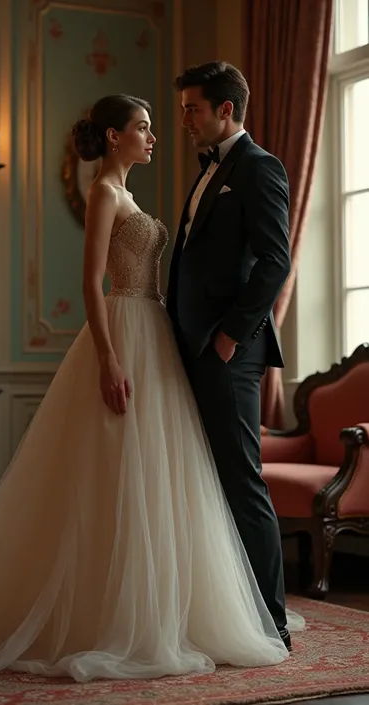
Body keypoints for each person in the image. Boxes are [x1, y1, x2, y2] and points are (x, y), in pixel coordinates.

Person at [0, 94, 299, 683]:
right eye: (143, 128)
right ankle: (106, 612)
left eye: (155, 128)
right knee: (114, 471)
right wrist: (108, 357)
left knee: (158, 473)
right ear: (114, 138)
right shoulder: (106, 193)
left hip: (155, 335)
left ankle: (164, 608)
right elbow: (90, 281)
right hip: (124, 335)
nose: (154, 136)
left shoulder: (133, 194)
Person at [167, 61, 294, 650]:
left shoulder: (260, 168)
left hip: (228, 352)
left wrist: (228, 338)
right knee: (204, 481)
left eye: (193, 107)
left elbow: (275, 262)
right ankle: (224, 613)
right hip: (190, 346)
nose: (184, 119)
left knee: (242, 482)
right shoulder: (209, 170)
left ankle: (272, 625)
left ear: (226, 110)